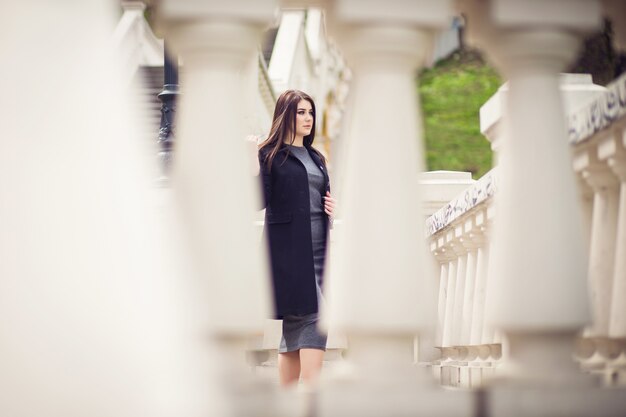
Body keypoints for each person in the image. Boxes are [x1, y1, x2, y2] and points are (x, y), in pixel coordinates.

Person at [255, 89, 335, 386]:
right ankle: (308, 398)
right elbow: (258, 200)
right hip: (290, 253)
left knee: (294, 329)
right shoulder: (270, 155)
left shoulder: (316, 157)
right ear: (285, 115)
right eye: (301, 112)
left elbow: (317, 195)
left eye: (310, 112)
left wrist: (329, 206)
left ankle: (289, 402)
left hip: (318, 251)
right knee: (317, 318)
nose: (308, 118)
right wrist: (252, 162)